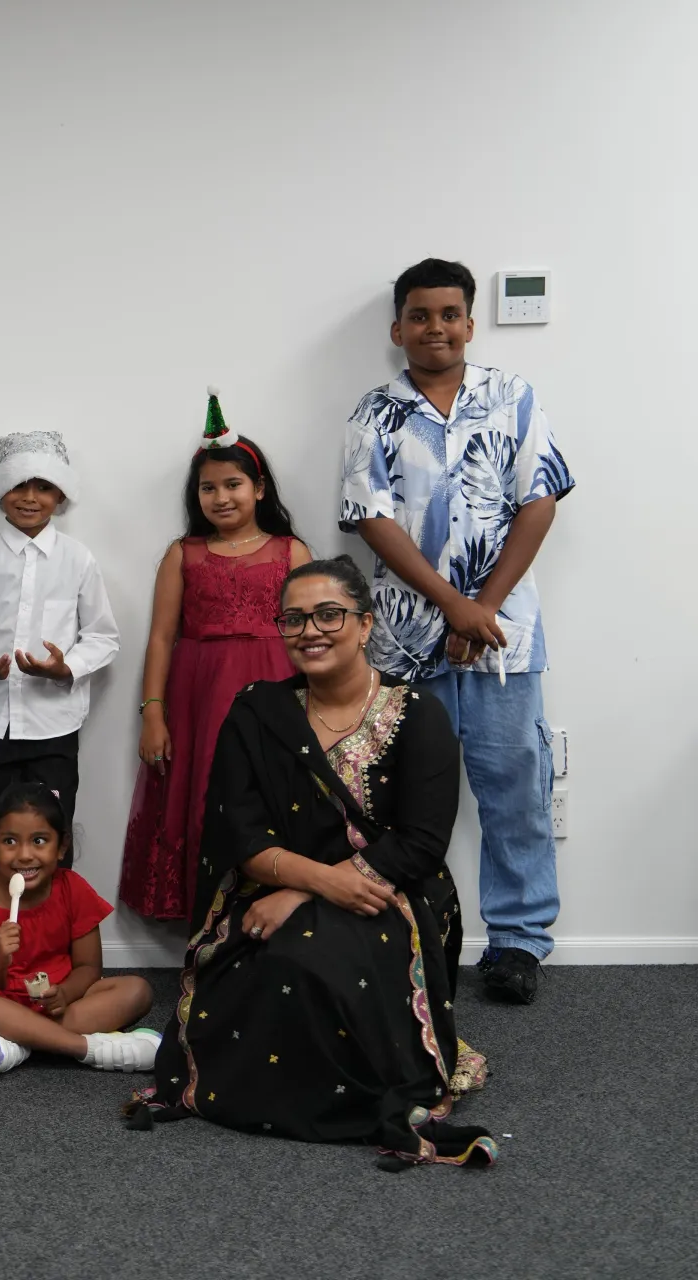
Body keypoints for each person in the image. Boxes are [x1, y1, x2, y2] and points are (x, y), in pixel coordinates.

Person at [128, 558, 495, 1169]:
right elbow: (236, 831)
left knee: (314, 961)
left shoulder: (417, 713)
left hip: (390, 887)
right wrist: (315, 881)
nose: (311, 631)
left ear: (364, 624)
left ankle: (356, 1091)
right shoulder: (258, 712)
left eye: (330, 615)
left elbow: (422, 841)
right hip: (275, 880)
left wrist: (309, 892)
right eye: (294, 619)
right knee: (259, 961)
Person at [342, 258, 574, 1005]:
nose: (434, 327)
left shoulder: (513, 398)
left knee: (515, 786)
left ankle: (517, 942)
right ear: (396, 328)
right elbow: (372, 520)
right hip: (408, 641)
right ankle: (401, 926)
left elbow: (538, 501)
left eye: (449, 314)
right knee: (401, 793)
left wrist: (485, 606)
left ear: (470, 323)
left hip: (504, 639)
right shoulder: (373, 412)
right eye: (419, 315)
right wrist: (452, 605)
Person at [119, 392, 310, 919]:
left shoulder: (291, 551)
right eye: (209, 487)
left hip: (274, 692)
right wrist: (152, 712)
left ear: (259, 488)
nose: (221, 497)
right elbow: (161, 637)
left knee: (269, 798)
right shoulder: (184, 554)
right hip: (198, 696)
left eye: (233, 484)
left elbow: (308, 633)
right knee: (203, 796)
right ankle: (207, 926)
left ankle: (271, 917)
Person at [0, 430, 118, 820]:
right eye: (18, 485)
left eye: (44, 487)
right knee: (0, 836)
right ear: (1, 490)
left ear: (61, 496)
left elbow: (103, 637)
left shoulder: (78, 559)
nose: (30, 497)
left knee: (51, 837)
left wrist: (66, 667)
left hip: (53, 729)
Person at [0, 784, 158, 1076]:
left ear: (61, 847)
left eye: (39, 841)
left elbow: (89, 967)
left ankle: (18, 1042)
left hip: (58, 1004)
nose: (25, 855)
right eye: (10, 841)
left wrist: (65, 992)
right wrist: (0, 957)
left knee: (137, 991)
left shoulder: (74, 889)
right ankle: (85, 1048)